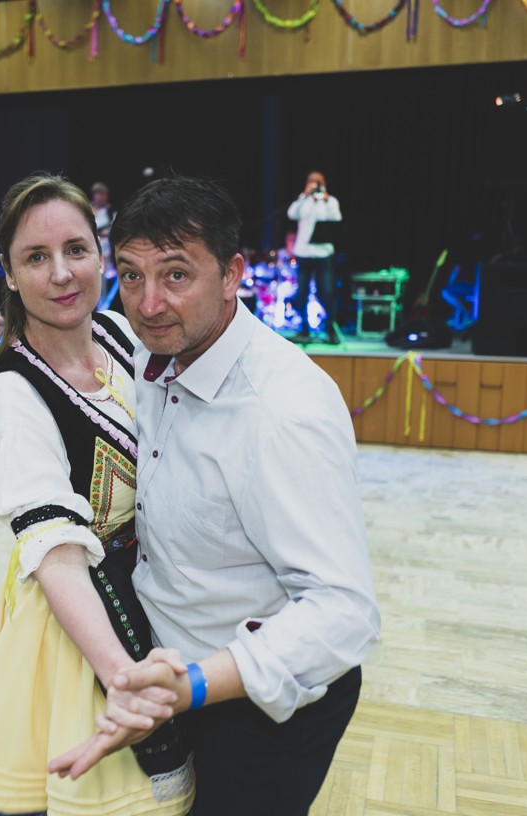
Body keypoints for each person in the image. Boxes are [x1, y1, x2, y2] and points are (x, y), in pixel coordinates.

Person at [50, 176, 380, 816]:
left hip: (261, 706)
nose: (148, 304)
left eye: (176, 275)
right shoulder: (157, 354)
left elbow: (344, 612)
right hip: (171, 675)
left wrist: (194, 686)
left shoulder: (280, 411)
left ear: (232, 274)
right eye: (131, 276)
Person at [0, 174, 194, 816]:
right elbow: (56, 553)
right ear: (9, 273)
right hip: (74, 621)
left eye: (76, 249)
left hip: (151, 592)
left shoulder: (116, 332)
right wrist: (118, 675)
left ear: (100, 253)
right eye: (36, 257)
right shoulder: (12, 393)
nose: (61, 274)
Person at [287, 170, 343, 342]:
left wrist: (324, 200)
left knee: (325, 291)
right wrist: (303, 195)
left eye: (317, 181)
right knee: (302, 293)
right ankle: (304, 330)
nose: (314, 184)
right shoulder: (303, 200)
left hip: (323, 253)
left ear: (323, 184)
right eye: (311, 181)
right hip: (304, 252)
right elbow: (291, 214)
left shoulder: (331, 201)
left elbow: (337, 218)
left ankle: (331, 330)